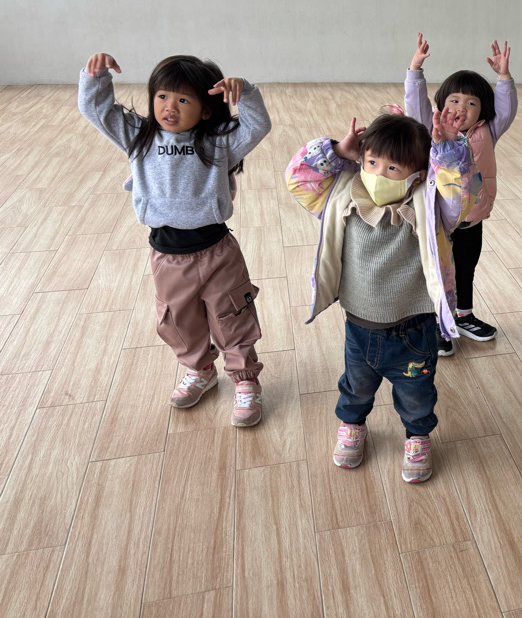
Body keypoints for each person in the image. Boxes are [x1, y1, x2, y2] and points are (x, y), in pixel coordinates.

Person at [285, 108, 480, 483]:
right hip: (359, 326)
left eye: (393, 168)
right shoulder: (343, 196)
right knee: (355, 386)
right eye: (372, 162)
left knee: (416, 392)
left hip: (415, 328)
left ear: (418, 173)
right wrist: (336, 152)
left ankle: (417, 436)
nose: (378, 174)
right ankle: (352, 425)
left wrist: (446, 151)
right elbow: (298, 180)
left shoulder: (430, 206)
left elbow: (463, 194)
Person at [79, 52, 270, 425]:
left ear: (206, 110)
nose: (170, 106)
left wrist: (245, 93)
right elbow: (97, 110)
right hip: (167, 254)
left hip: (217, 252)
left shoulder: (218, 142)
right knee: (178, 321)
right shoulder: (139, 136)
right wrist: (95, 77)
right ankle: (200, 370)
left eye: (183, 100)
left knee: (233, 316)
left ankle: (245, 380)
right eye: (163, 96)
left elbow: (257, 125)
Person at [404, 33, 518, 355]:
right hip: (440, 222)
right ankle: (438, 321)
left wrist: (504, 77)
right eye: (454, 101)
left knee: (466, 269)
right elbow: (415, 105)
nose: (461, 108)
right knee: (439, 273)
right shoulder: (432, 128)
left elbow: (506, 109)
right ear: (441, 104)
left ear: (483, 111)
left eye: (471, 103)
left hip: (471, 220)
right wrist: (415, 70)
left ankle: (464, 316)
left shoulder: (487, 131)